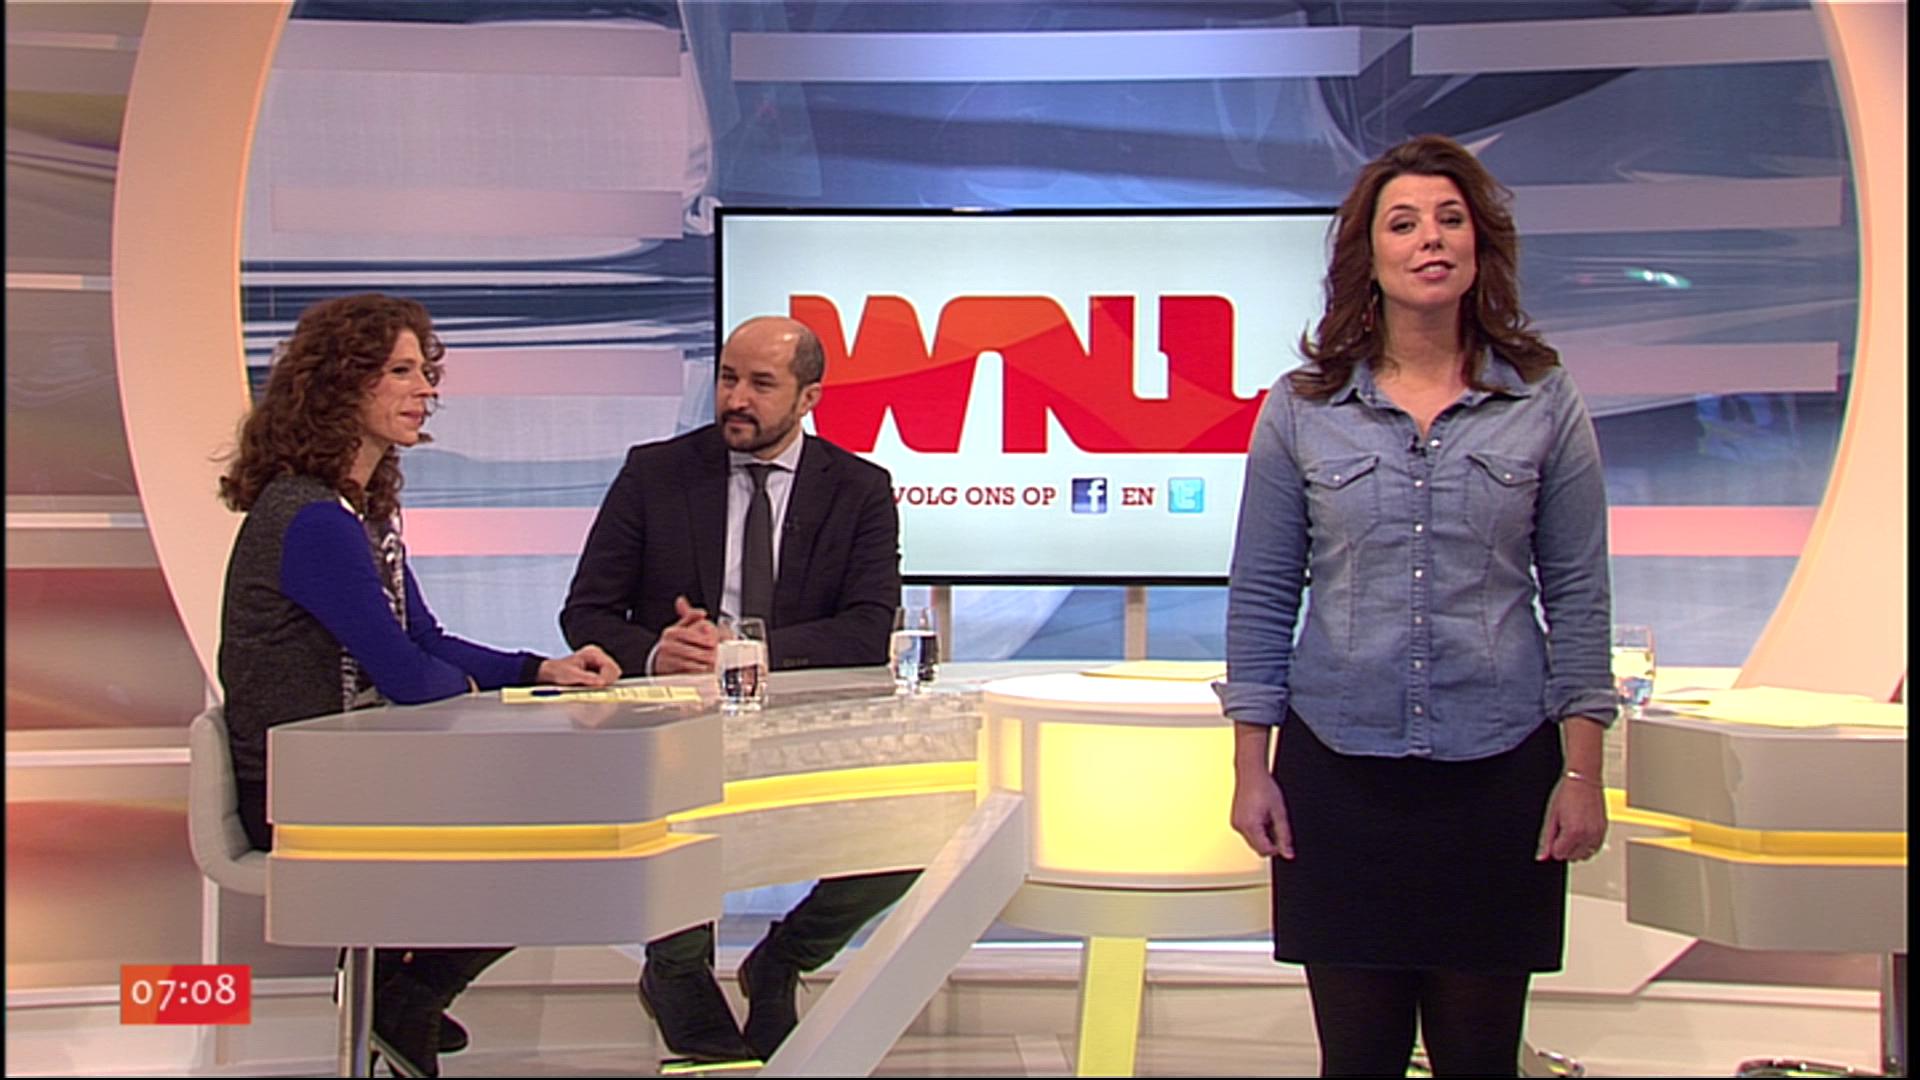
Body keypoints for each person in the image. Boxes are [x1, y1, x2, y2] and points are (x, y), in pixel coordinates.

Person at [1219, 134, 1615, 1077]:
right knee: (1358, 1057)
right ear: (1370, 254)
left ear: (1480, 246)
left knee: (1480, 1057)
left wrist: (1583, 773)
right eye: (1403, 223)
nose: (1429, 238)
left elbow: (1579, 592)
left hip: (1501, 772)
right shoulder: (1302, 408)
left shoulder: (1543, 399)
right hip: (1338, 774)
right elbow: (1263, 593)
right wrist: (1250, 768)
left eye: (1449, 219)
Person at [217, 293, 622, 1077]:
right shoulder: (313, 521)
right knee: (563, 832)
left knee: (567, 818)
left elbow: (425, 641)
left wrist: (541, 671)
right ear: (341, 384)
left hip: (346, 773)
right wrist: (478, 690)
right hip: (300, 793)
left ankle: (398, 993)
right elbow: (408, 677)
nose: (426, 389)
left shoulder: (356, 513)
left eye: (424, 371)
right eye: (401, 372)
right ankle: (407, 996)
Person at [561, 314, 912, 1063]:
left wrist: (747, 654)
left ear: (808, 397)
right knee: (673, 816)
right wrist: (658, 651)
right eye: (727, 379)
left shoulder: (859, 489)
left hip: (804, 726)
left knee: (911, 833)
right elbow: (585, 612)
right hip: (679, 732)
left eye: (761, 384)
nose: (736, 399)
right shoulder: (656, 472)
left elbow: (866, 628)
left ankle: (783, 958)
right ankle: (677, 971)